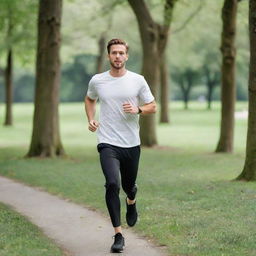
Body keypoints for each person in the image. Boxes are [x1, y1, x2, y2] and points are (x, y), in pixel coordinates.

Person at [84, 38, 156, 253]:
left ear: (126, 56)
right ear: (108, 56)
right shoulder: (98, 80)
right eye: (114, 53)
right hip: (107, 142)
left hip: (131, 143)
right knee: (112, 184)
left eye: (121, 53)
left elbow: (153, 106)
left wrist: (138, 110)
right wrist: (90, 119)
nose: (117, 56)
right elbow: (89, 99)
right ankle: (118, 234)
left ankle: (131, 200)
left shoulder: (138, 80)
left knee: (128, 185)